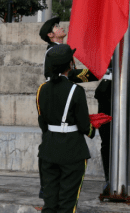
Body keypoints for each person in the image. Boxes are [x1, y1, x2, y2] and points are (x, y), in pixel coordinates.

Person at [36, 43, 96, 213]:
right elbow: (84, 125)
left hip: (48, 148)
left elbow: (43, 122)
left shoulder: (42, 89)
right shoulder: (75, 90)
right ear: (70, 65)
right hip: (72, 149)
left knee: (50, 204)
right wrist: (93, 129)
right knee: (67, 204)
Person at [93, 45, 130, 194]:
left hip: (125, 96)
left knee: (123, 141)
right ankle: (109, 179)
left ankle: (123, 179)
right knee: (106, 141)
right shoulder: (105, 45)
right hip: (105, 96)